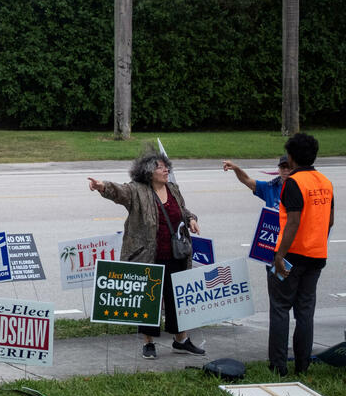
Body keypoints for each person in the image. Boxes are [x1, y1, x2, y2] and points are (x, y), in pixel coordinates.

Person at [87, 150, 204, 359]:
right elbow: (119, 192)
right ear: (149, 172)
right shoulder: (137, 191)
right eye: (161, 167)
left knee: (176, 298)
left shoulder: (173, 189)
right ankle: (149, 343)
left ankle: (181, 340)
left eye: (166, 166)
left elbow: (182, 210)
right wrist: (101, 186)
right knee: (148, 302)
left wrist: (192, 219)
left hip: (176, 255)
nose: (166, 170)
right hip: (147, 256)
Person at [268, 133, 335, 376]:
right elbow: (330, 220)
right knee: (305, 311)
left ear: (292, 157)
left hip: (291, 255)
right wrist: (317, 242)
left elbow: (293, 223)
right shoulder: (325, 182)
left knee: (280, 307)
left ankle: (278, 366)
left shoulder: (293, 183)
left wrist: (279, 255)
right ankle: (303, 365)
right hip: (317, 255)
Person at [222, 156, 292, 209]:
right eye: (283, 167)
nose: (286, 170)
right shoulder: (270, 188)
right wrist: (236, 168)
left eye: (289, 167)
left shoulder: (300, 188)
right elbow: (246, 179)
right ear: (278, 170)